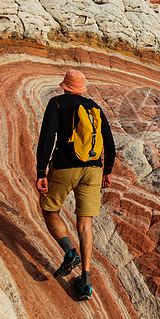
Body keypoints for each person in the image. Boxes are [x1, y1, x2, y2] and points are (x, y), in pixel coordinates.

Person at [35, 69, 115, 301]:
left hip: (65, 167)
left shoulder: (57, 104)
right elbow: (109, 142)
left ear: (65, 87)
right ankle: (86, 281)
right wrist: (107, 170)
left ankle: (70, 252)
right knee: (85, 224)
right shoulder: (95, 108)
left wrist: (41, 171)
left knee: (50, 209)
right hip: (93, 170)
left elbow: (47, 138)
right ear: (82, 88)